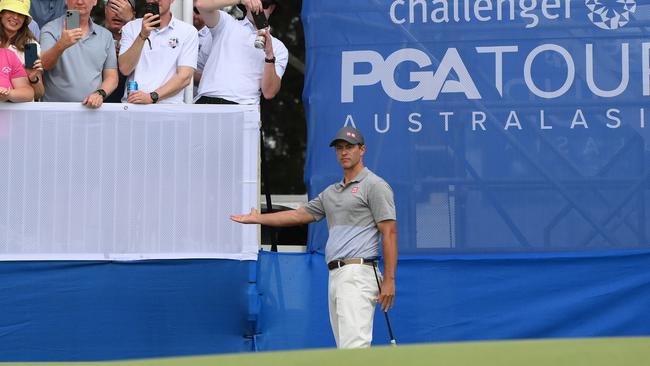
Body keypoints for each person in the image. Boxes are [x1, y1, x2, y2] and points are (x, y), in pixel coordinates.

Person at [231, 127, 398, 349]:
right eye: (339, 148)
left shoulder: (374, 185)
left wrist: (389, 279)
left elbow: (389, 232)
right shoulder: (332, 192)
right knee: (346, 348)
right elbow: (298, 215)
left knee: (354, 348)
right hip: (337, 274)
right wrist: (258, 218)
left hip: (359, 272)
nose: (344, 152)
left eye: (349, 147)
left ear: (362, 149)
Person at [195, 0, 288, 104]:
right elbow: (200, 4)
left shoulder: (278, 47)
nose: (258, 7)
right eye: (255, 1)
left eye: (264, 4)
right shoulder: (226, 23)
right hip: (207, 100)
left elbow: (269, 93)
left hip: (243, 107)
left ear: (272, 8)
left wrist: (269, 54)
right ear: (246, 5)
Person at [40, 0, 118, 108]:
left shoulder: (105, 36)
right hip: (55, 111)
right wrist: (61, 45)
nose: (80, 1)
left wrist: (100, 93)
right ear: (66, 1)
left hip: (91, 111)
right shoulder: (50, 29)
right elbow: (44, 65)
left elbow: (112, 77)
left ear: (95, 1)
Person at [118, 0, 198, 104]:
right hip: (134, 107)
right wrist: (142, 35)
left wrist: (152, 97)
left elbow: (184, 77)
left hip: (169, 110)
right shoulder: (130, 27)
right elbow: (125, 69)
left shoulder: (188, 31)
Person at [0, 0, 45, 100]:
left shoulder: (30, 45)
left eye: (20, 14)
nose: (15, 17)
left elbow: (38, 94)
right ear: (1, 13)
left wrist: (33, 78)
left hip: (19, 112)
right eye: (11, 11)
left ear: (25, 19)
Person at [102, 0, 134, 103]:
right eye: (114, 7)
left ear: (133, 14)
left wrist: (131, 21)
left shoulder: (143, 37)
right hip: (98, 103)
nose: (117, 13)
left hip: (133, 103)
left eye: (123, 9)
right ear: (105, 10)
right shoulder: (93, 36)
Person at [192, 0, 211, 97]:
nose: (194, 15)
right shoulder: (187, 31)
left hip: (204, 93)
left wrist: (188, 74)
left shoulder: (212, 36)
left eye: (197, 11)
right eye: (192, 10)